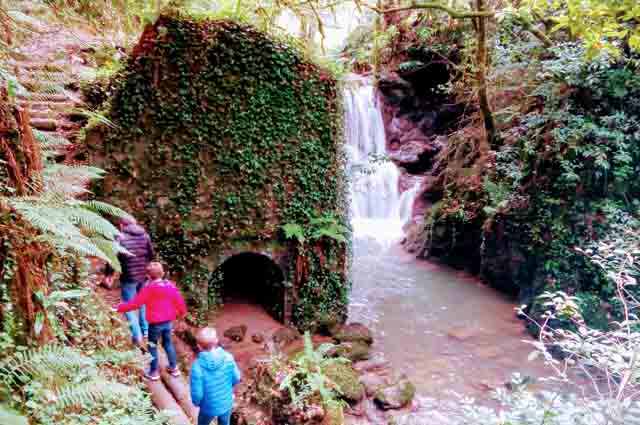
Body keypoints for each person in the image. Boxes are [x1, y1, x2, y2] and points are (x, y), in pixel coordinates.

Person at [117, 262, 187, 380]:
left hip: (154, 324)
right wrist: (182, 314)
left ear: (148, 276)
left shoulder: (148, 289)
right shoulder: (170, 286)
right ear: (163, 273)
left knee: (152, 345)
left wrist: (120, 307)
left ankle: (154, 372)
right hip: (168, 322)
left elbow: (135, 304)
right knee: (168, 343)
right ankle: (174, 368)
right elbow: (180, 302)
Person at [106, 217, 155, 345]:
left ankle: (136, 335)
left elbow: (112, 257)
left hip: (128, 276)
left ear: (122, 225)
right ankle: (146, 331)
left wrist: (109, 274)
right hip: (143, 275)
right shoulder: (145, 236)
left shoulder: (120, 237)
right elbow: (151, 255)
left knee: (128, 305)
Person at [191, 327, 241, 425]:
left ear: (199, 346)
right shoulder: (228, 358)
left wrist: (196, 403)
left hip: (207, 406)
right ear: (217, 341)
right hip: (226, 402)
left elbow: (197, 394)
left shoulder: (197, 367)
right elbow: (237, 378)